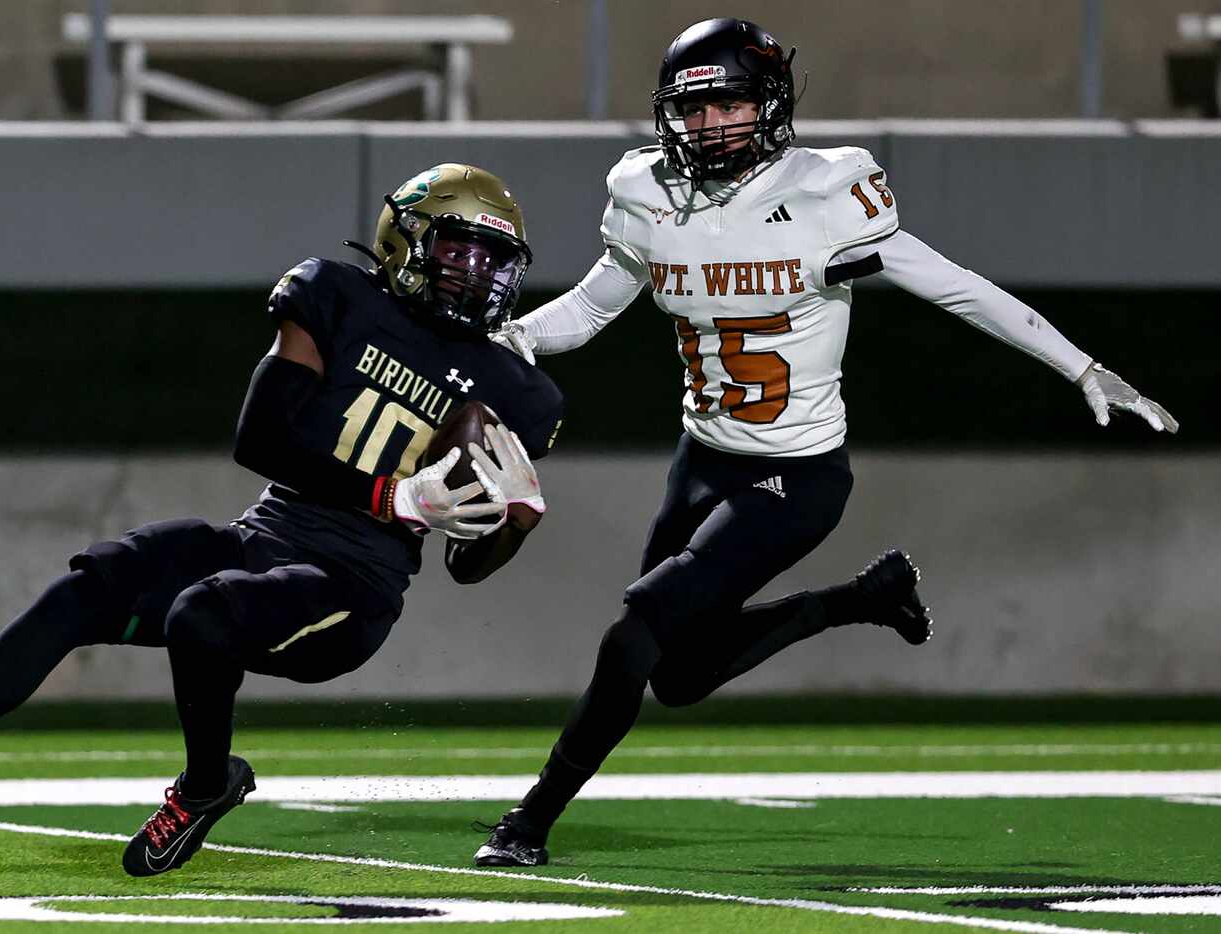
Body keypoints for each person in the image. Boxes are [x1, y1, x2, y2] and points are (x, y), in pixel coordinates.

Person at [473, 18, 1177, 868]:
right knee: (678, 676)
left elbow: (957, 290)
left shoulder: (825, 195)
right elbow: (587, 310)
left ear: (770, 105)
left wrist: (1082, 367)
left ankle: (528, 824)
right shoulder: (651, 197)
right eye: (691, 111)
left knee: (634, 634)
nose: (707, 127)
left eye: (728, 103)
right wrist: (512, 337)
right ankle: (862, 599)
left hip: (796, 473)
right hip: (701, 460)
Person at [0, 162, 565, 877]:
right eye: (460, 249)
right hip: (264, 535)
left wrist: (515, 522)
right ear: (407, 239)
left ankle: (204, 786)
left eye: (495, 260)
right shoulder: (336, 296)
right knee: (89, 586)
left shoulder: (519, 392)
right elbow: (260, 438)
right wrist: (390, 497)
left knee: (206, 611)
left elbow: (467, 565)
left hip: (351, 591)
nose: (478, 274)